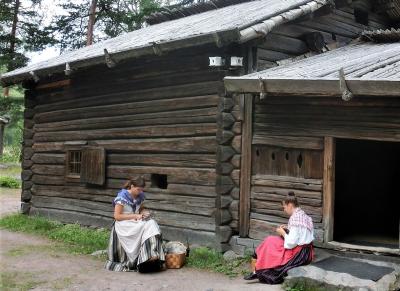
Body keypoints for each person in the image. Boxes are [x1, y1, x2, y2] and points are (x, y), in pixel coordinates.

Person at [244, 191, 314, 284]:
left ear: (290, 205)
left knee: (269, 242)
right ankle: (255, 270)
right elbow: (301, 235)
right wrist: (288, 229)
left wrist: (283, 233)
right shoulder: (303, 215)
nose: (284, 209)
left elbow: (291, 243)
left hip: (298, 254)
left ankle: (256, 271)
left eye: (284, 207)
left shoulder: (295, 219)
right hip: (306, 252)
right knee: (270, 240)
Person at [105, 177, 165, 272]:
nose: (140, 191)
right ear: (132, 186)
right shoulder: (122, 197)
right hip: (124, 224)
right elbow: (117, 216)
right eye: (138, 189)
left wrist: (144, 212)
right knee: (148, 226)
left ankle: (150, 255)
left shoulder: (139, 196)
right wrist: (135, 216)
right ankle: (143, 257)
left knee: (152, 223)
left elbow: (140, 209)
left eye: (141, 190)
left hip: (135, 222)